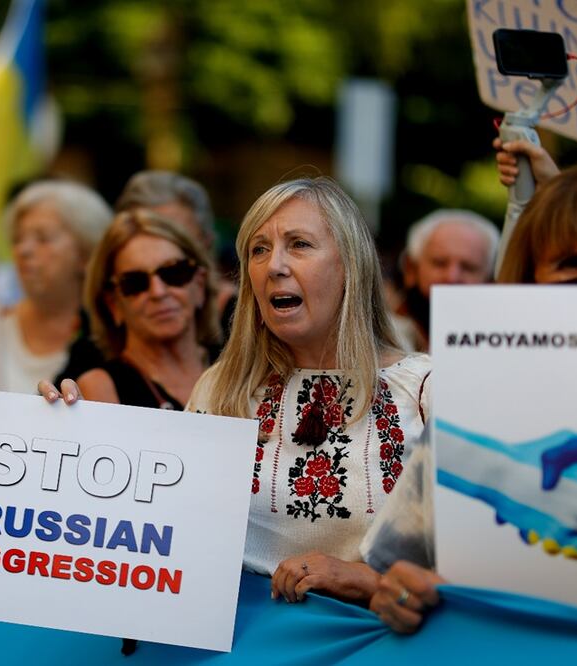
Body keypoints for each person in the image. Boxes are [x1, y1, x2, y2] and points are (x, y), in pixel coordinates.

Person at [44, 178, 430, 607]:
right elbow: (154, 537)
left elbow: (483, 572)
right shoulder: (221, 388)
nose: (275, 266)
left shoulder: (424, 392)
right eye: (259, 250)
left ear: (350, 265)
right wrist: (67, 448)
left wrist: (367, 582)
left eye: (299, 244)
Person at [368, 163, 577, 633]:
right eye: (570, 263)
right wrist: (398, 596)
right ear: (531, 279)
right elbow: (392, 571)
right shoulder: (470, 403)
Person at [0, 181, 112, 393]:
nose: (23, 250)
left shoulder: (111, 338)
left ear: (86, 255)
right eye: (17, 239)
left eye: (43, 238)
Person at [75, 209, 220, 408]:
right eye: (135, 282)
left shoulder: (243, 370)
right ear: (113, 304)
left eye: (173, 273)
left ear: (199, 285)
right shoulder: (100, 388)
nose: (158, 292)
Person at [114, 170, 238, 335]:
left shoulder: (248, 322)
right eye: (147, 243)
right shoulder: (107, 338)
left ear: (207, 245)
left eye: (180, 243)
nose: (158, 290)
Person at [392, 210, 500, 351]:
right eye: (440, 263)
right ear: (411, 269)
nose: (452, 277)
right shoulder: (378, 340)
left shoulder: (502, 347)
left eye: (468, 268)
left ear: (490, 279)